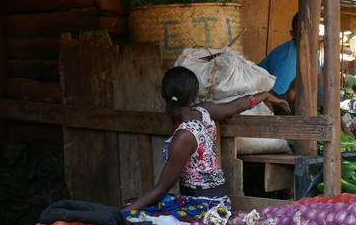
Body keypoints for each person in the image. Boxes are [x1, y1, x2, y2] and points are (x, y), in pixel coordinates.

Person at [122, 67, 290, 214]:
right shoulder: (205, 111)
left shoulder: (184, 136)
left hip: (203, 209)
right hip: (218, 202)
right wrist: (266, 95)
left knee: (137, 213)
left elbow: (162, 188)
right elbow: (237, 105)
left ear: (163, 94)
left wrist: (121, 213)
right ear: (194, 94)